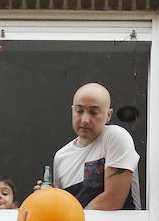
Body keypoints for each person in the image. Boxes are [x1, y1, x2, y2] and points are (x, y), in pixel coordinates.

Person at [39, 83, 142, 211]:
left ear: (108, 115)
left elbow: (113, 200)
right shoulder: (61, 157)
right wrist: (43, 199)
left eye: (93, 112)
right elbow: (62, 210)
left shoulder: (115, 136)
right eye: (79, 111)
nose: (85, 120)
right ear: (72, 110)